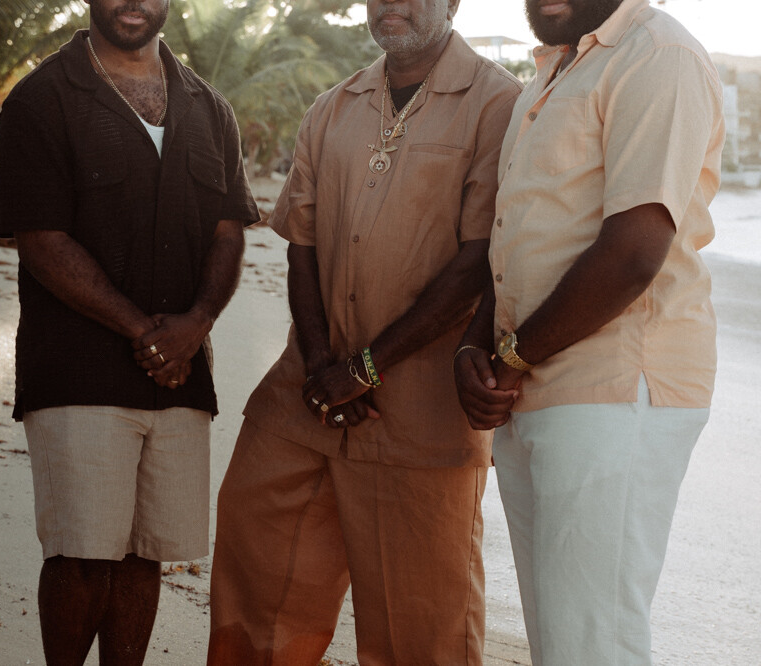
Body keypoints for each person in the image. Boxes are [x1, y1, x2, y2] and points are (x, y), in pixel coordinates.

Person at [207, 0, 521, 663]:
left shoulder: (498, 104)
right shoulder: (335, 105)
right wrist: (324, 361)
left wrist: (365, 368)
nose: (393, 5)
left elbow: (479, 259)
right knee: (255, 585)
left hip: (421, 418)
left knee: (422, 633)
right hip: (306, 397)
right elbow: (303, 241)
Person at [453, 0, 724, 663]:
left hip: (616, 386)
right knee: (560, 637)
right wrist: (476, 346)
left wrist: (513, 356)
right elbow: (520, 234)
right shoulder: (550, 74)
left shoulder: (659, 55)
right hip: (536, 382)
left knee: (593, 641)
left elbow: (634, 250)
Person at [0, 0, 259, 663]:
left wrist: (195, 326)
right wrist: (146, 331)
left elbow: (228, 230)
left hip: (180, 377)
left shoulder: (209, 106)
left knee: (146, 557)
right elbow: (42, 239)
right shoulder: (41, 98)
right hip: (78, 370)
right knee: (82, 554)